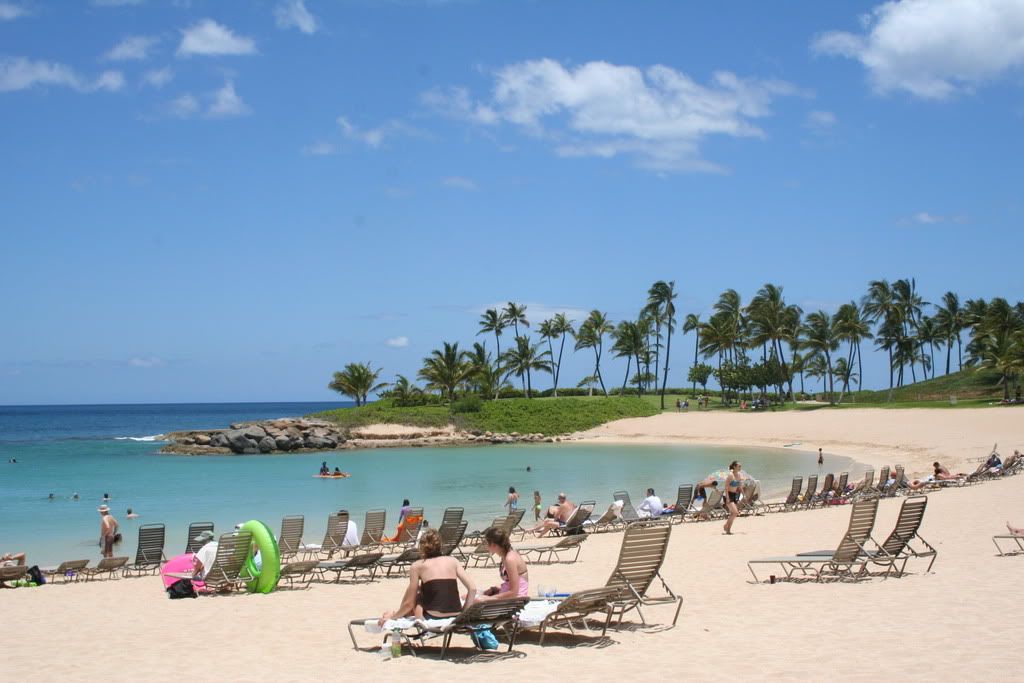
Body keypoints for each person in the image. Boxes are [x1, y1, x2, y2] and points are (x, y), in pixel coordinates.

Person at [378, 529, 476, 623]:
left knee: (418, 596)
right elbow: (472, 589)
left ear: (421, 547)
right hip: (456, 613)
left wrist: (392, 619)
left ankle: (395, 614)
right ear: (440, 545)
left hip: (433, 616)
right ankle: (396, 613)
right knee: (421, 589)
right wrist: (464, 613)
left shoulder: (417, 566)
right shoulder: (453, 561)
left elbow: (409, 604)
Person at [476, 528, 528, 600]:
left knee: (476, 600)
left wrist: (490, 598)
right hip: (508, 595)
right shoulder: (506, 555)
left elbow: (514, 592)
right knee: (468, 596)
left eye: (487, 543)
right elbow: (512, 582)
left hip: (515, 600)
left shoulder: (510, 559)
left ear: (494, 545)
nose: (486, 546)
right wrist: (494, 589)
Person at [723, 461, 743, 534]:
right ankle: (726, 526)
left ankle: (728, 530)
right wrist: (727, 498)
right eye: (739, 466)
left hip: (734, 495)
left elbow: (740, 487)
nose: (740, 467)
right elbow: (726, 487)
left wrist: (744, 494)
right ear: (734, 467)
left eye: (740, 466)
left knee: (733, 513)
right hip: (728, 495)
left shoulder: (739, 475)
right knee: (735, 512)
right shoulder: (730, 475)